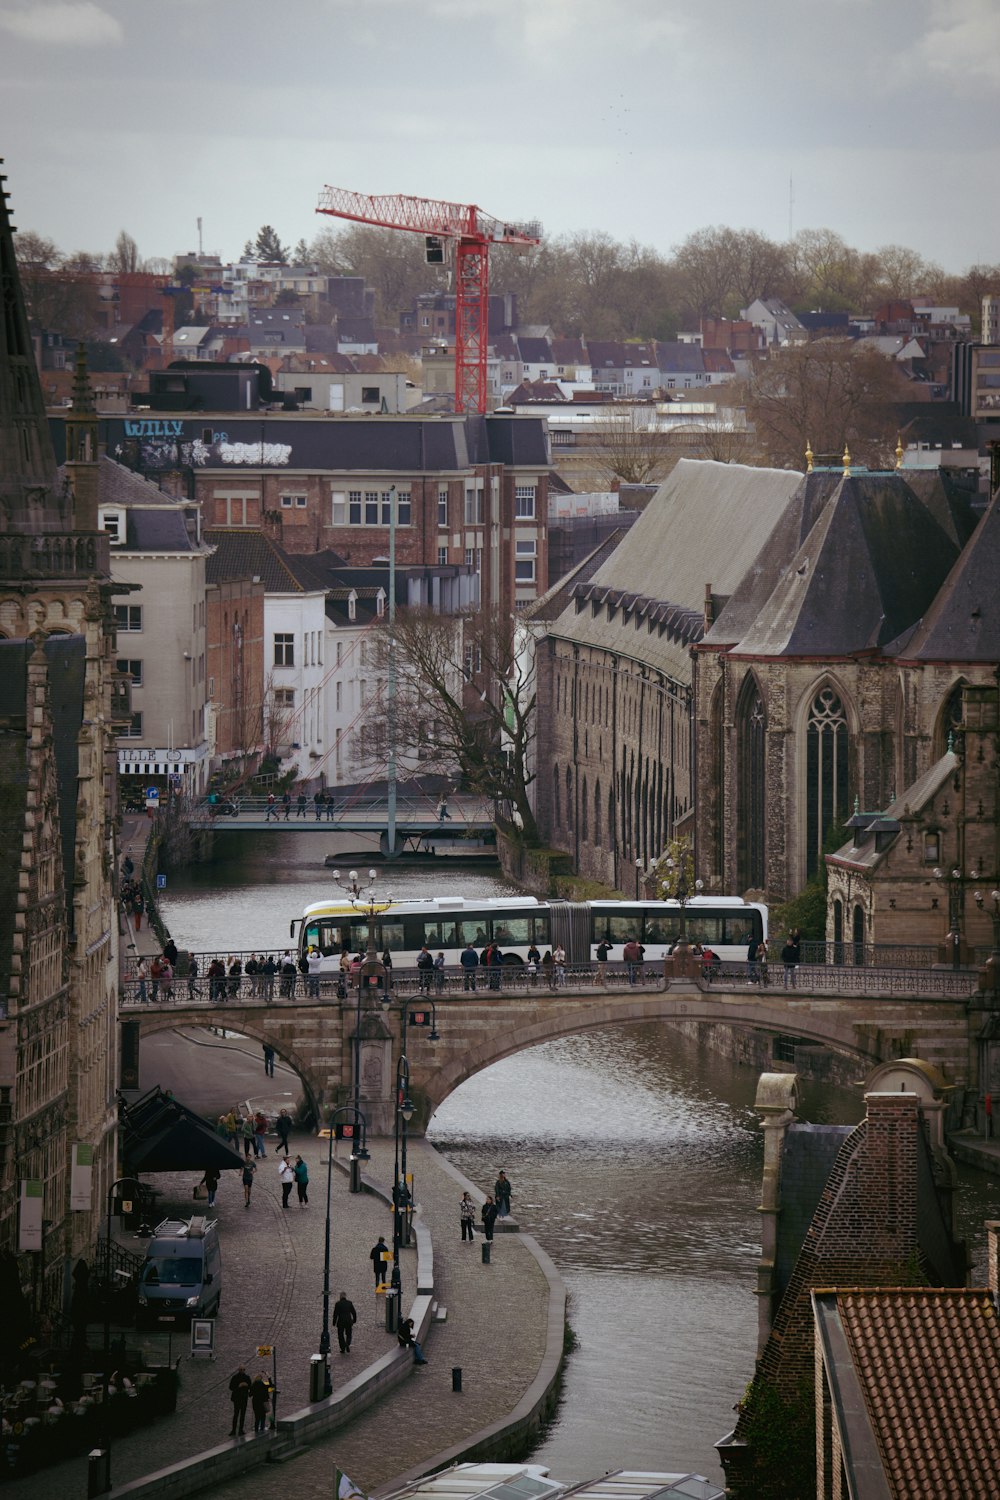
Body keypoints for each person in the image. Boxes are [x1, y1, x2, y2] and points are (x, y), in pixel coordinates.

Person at [229, 1365, 252, 1435]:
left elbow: (250, 1386)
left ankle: (241, 1430)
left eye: (243, 1369)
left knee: (242, 1415)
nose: (242, 1371)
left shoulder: (247, 1377)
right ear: (238, 1370)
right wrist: (238, 1386)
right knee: (236, 1414)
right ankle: (233, 1430)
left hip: (244, 1398)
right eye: (241, 1369)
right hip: (236, 1398)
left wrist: (247, 1385)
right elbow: (231, 1387)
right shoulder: (235, 1377)